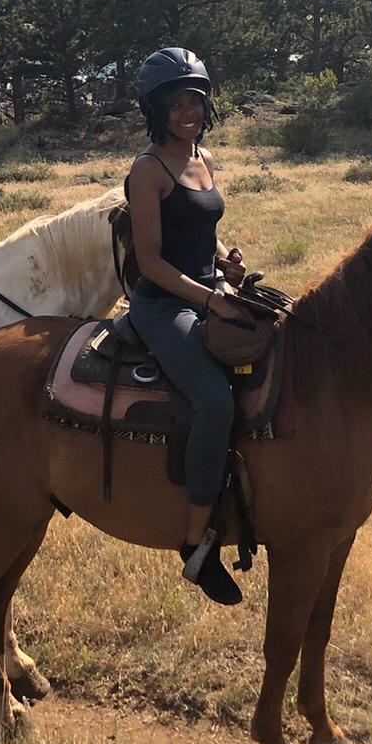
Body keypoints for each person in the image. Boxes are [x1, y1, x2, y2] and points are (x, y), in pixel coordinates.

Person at [123, 47, 251, 606]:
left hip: (206, 292)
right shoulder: (146, 171)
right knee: (216, 401)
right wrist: (210, 299)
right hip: (162, 306)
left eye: (195, 100)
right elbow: (150, 263)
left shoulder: (202, 158)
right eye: (176, 103)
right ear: (156, 109)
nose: (188, 111)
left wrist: (225, 260)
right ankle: (197, 542)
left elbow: (200, 227)